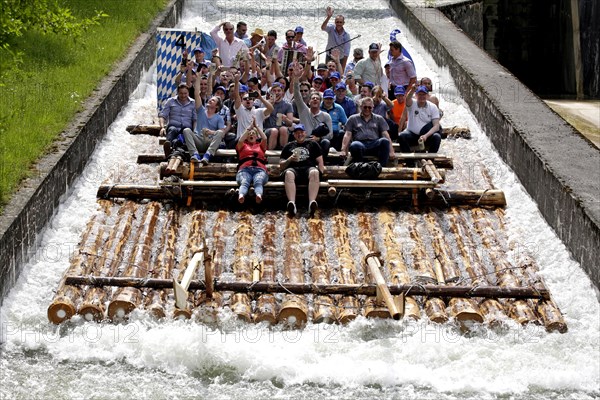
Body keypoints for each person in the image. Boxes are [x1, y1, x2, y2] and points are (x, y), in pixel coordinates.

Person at [280, 124, 325, 217]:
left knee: (315, 172)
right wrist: (290, 159)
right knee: (288, 173)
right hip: (293, 169)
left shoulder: (313, 144)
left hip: (308, 169)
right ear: (294, 135)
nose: (299, 134)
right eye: (297, 133)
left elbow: (320, 161)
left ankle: (312, 203)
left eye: (301, 132)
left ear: (305, 133)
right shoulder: (288, 146)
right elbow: (281, 165)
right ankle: (292, 204)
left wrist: (321, 175)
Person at [180, 77, 226, 164]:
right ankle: (194, 154)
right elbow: (196, 94)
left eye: (212, 100)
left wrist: (211, 132)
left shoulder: (219, 118)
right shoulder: (201, 110)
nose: (210, 101)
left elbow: (222, 133)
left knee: (219, 133)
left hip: (210, 141)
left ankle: (208, 155)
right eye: (210, 99)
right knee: (186, 130)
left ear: (217, 106)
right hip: (198, 139)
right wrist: (198, 76)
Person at [291, 64, 333, 157]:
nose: (315, 100)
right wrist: (296, 79)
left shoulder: (326, 116)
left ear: (320, 102)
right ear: (309, 102)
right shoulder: (304, 111)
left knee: (326, 142)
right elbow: (297, 95)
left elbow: (330, 134)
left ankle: (322, 162)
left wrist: (318, 138)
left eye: (317, 99)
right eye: (312, 98)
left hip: (318, 142)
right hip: (304, 141)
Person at [341, 97, 395, 167]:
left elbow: (386, 134)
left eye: (369, 107)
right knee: (354, 145)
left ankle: (382, 167)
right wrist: (343, 150)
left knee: (384, 141)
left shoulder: (379, 118)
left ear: (373, 107)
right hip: (360, 143)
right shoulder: (353, 118)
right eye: (365, 107)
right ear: (361, 107)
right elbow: (347, 134)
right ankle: (360, 167)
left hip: (374, 143)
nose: (367, 109)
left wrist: (391, 151)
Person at [398, 84, 442, 155]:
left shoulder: (433, 107)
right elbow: (407, 99)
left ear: (427, 95)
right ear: (416, 95)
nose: (421, 97)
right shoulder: (412, 104)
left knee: (437, 137)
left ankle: (430, 158)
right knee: (402, 136)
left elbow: (436, 126)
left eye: (423, 94)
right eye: (419, 94)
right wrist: (412, 90)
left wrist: (426, 136)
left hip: (426, 136)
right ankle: (409, 160)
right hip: (412, 134)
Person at [232, 72, 274, 143]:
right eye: (245, 99)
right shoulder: (240, 110)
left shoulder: (259, 111)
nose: (248, 100)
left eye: (250, 98)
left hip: (257, 142)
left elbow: (271, 109)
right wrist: (236, 82)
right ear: (242, 102)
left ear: (253, 101)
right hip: (242, 142)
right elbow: (236, 97)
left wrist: (260, 98)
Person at [235, 118, 269, 204]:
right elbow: (240, 140)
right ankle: (241, 195)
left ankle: (258, 195)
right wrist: (249, 128)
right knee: (244, 181)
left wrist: (256, 127)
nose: (251, 135)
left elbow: (264, 138)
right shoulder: (242, 145)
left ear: (256, 136)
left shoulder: (260, 146)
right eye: (249, 134)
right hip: (245, 169)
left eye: (253, 134)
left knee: (258, 180)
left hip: (259, 169)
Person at [263, 82, 294, 150]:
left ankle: (283, 152)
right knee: (274, 131)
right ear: (271, 92)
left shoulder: (288, 105)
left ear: (282, 92)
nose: (276, 93)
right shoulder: (265, 103)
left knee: (284, 129)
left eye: (279, 90)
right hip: (267, 129)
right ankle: (269, 155)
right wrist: (271, 104)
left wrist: (285, 119)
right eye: (274, 91)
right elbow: (262, 118)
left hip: (281, 128)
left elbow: (290, 123)